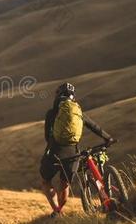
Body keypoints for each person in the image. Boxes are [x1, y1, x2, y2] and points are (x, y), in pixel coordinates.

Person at [39, 82, 113, 217]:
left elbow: (46, 136)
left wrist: (52, 145)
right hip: (73, 152)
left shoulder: (52, 113)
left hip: (55, 151)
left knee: (46, 181)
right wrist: (108, 138)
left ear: (58, 96)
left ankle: (56, 211)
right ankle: (60, 209)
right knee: (64, 183)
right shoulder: (78, 112)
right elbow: (94, 126)